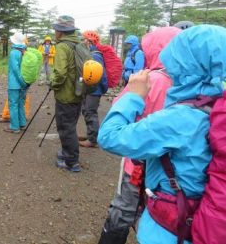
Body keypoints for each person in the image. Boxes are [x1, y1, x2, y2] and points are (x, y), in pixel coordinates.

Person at [98, 25, 226, 244]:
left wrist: (134, 96)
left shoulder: (181, 118)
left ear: (184, 62)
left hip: (167, 230)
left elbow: (109, 136)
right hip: (199, 220)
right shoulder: (217, 105)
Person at [98, 26, 181, 244]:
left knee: (123, 206)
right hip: (172, 168)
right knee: (156, 207)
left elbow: (118, 112)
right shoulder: (186, 82)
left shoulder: (148, 79)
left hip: (138, 159)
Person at [50, 15, 85, 172]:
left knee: (65, 127)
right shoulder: (79, 44)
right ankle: (66, 153)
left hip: (66, 95)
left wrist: (52, 83)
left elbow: (60, 72)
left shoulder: (63, 47)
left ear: (61, 31)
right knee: (70, 124)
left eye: (56, 29)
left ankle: (72, 162)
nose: (54, 32)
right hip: (79, 92)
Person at [79, 31, 108, 148]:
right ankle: (90, 134)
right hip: (90, 89)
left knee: (90, 112)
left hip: (94, 90)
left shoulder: (95, 55)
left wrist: (102, 88)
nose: (83, 41)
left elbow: (101, 75)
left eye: (85, 39)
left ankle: (93, 139)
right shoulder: (90, 53)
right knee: (86, 111)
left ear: (90, 41)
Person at [4, 32, 28, 133]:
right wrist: (24, 83)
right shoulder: (23, 51)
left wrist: (21, 82)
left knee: (13, 104)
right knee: (20, 103)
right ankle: (22, 124)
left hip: (15, 84)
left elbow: (15, 69)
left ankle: (14, 127)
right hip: (23, 83)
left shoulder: (14, 52)